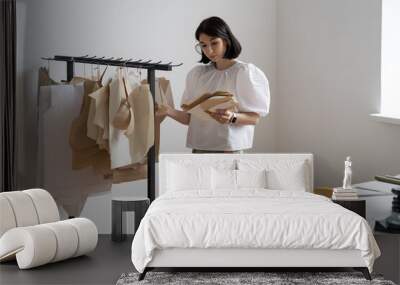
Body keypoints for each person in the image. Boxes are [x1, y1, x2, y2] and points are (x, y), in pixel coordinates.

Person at [156, 16, 270, 153]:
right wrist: (168, 110)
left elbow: (255, 118)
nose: (209, 50)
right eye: (203, 45)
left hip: (228, 151)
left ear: (226, 41)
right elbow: (190, 119)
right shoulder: (197, 74)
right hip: (198, 149)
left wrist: (232, 117)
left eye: (214, 43)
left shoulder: (244, 73)